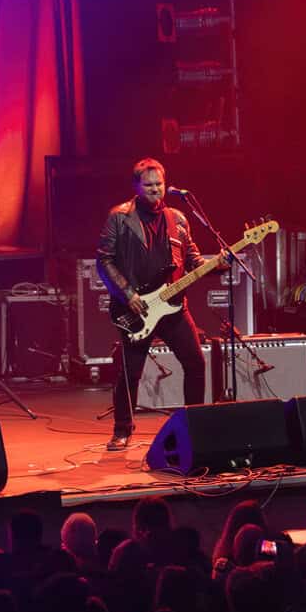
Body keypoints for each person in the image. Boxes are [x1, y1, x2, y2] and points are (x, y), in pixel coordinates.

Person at [96, 158, 217, 451]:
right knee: (130, 372)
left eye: (159, 184)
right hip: (136, 307)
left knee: (195, 363)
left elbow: (193, 259)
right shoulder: (119, 217)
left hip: (173, 306)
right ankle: (122, 429)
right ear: (136, 187)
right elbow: (104, 260)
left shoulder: (178, 218)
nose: (155, 190)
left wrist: (219, 263)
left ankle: (193, 423)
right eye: (148, 185)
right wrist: (128, 294)